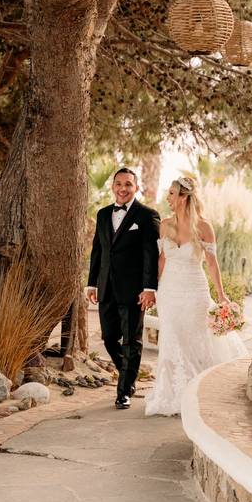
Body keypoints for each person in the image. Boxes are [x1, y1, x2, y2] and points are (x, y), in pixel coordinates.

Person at [145, 176, 248, 417]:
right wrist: (152, 289)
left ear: (183, 197)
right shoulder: (165, 224)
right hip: (169, 291)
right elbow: (161, 260)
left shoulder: (204, 227)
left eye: (172, 194)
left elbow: (212, 263)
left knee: (196, 339)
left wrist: (221, 295)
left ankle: (199, 392)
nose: (168, 198)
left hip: (195, 291)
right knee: (170, 338)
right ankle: (171, 394)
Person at [86, 168, 161, 410]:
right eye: (118, 184)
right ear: (113, 187)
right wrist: (92, 283)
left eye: (128, 184)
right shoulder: (103, 214)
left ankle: (123, 392)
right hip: (106, 287)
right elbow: (98, 250)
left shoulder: (147, 215)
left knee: (131, 341)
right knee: (109, 338)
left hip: (134, 290)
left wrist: (149, 288)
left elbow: (151, 254)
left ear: (136, 188)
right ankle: (128, 376)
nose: (122, 188)